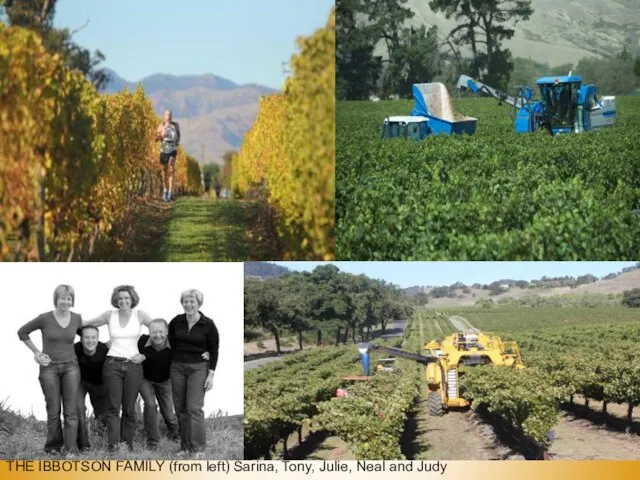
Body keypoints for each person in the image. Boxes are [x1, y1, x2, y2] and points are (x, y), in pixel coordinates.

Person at [83, 285, 153, 452]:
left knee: (129, 408)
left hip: (133, 366)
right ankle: (113, 447)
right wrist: (96, 344)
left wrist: (145, 354)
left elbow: (160, 332)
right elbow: (86, 325)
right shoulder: (110, 315)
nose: (123, 301)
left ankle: (126, 446)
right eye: (120, 298)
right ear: (116, 300)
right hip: (112, 364)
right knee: (113, 407)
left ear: (132, 299)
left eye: (126, 298)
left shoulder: (140, 315)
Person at [17, 285, 82, 455]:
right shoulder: (44, 318)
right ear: (56, 299)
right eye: (63, 298)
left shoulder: (77, 318)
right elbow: (22, 332)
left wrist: (107, 344)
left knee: (71, 411)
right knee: (53, 410)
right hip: (49, 369)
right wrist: (37, 353)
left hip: (71, 368)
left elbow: (89, 336)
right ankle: (53, 447)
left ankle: (70, 450)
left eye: (69, 298)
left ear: (72, 301)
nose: (66, 302)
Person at [168, 289, 219, 454]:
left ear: (199, 304)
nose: (188, 305)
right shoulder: (176, 321)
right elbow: (168, 342)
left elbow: (214, 349)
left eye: (192, 302)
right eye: (186, 302)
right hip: (177, 367)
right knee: (180, 408)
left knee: (194, 407)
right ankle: (184, 447)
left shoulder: (208, 324)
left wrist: (211, 374)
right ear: (182, 303)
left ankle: (198, 449)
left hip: (198, 368)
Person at [136, 319, 180, 449]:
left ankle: (174, 432)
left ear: (167, 331)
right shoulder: (142, 341)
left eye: (161, 331)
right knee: (150, 405)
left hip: (165, 381)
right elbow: (124, 344)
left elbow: (191, 348)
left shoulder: (174, 343)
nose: (157, 335)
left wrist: (205, 353)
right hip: (145, 379)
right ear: (149, 332)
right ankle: (153, 440)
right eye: (154, 332)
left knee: (168, 414)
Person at [75, 325, 109, 451]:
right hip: (80, 383)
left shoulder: (104, 349)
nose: (90, 340)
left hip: (99, 384)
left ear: (98, 338)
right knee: (78, 408)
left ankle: (103, 442)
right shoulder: (75, 349)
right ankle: (83, 445)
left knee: (102, 414)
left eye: (93, 337)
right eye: (86, 337)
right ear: (81, 339)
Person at [155, 110, 181, 202]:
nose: (168, 116)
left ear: (172, 116)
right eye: (167, 115)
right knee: (164, 171)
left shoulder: (175, 125)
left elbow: (178, 136)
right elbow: (156, 139)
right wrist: (162, 135)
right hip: (163, 151)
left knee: (171, 169)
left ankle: (170, 193)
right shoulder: (161, 126)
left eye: (170, 114)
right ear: (164, 116)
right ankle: (165, 191)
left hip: (172, 150)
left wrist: (176, 142)